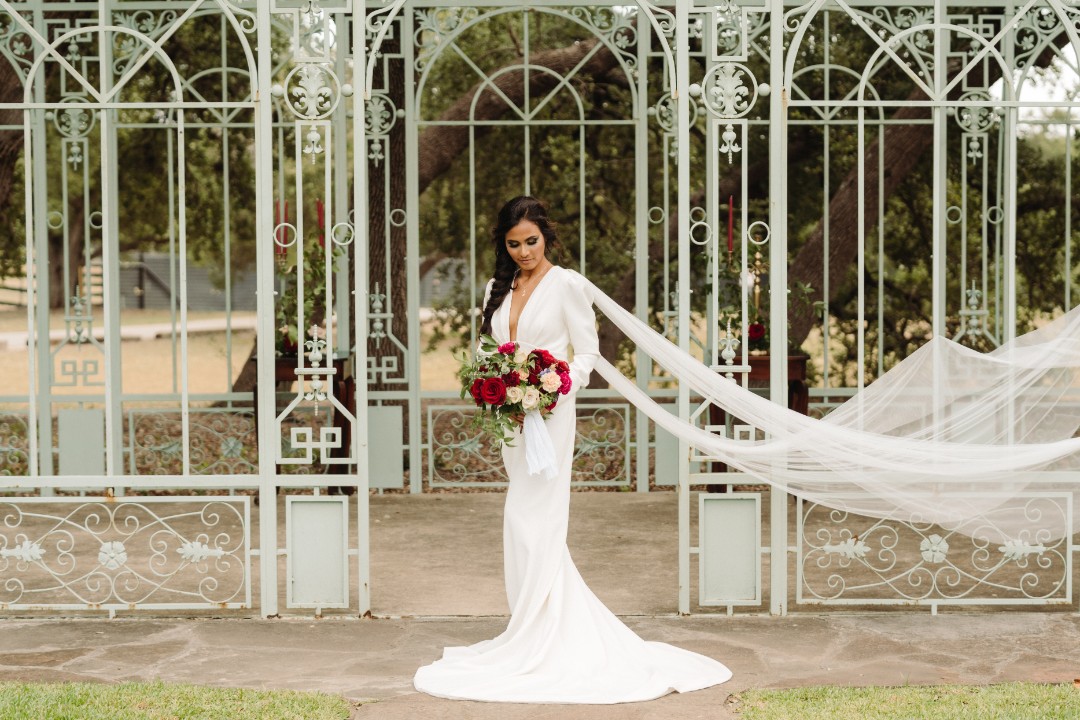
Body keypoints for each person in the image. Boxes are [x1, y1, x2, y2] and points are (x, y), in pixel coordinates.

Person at [413, 196, 732, 704]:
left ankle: (543, 637)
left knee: (530, 517)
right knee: (520, 520)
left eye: (531, 241)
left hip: (550, 412)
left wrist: (554, 384)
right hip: (512, 420)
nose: (523, 252)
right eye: (513, 243)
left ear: (547, 235)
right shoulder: (498, 288)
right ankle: (533, 627)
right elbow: (488, 349)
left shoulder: (567, 284)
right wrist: (492, 382)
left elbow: (587, 352)